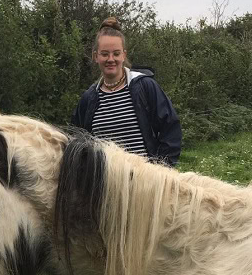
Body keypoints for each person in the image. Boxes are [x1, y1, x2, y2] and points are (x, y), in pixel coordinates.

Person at [72, 17, 182, 166]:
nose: (111, 59)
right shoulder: (89, 98)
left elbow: (170, 129)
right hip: (105, 186)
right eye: (104, 54)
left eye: (116, 53)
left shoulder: (145, 86)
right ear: (95, 56)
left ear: (124, 55)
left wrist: (162, 170)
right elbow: (78, 143)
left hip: (144, 184)